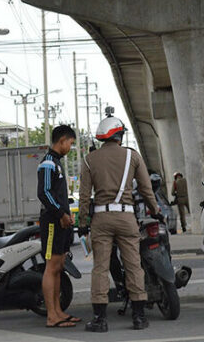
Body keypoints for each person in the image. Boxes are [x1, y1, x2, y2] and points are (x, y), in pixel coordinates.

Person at [78, 115, 162, 333]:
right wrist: (156, 210)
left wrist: (83, 223)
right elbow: (146, 188)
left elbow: (84, 196)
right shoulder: (132, 157)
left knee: (100, 268)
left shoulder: (90, 159)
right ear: (119, 135)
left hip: (101, 219)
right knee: (134, 265)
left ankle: (100, 319)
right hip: (126, 218)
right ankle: (139, 317)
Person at [37, 124, 79, 328]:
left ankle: (59, 312)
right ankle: (51, 315)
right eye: (70, 143)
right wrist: (61, 213)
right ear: (62, 140)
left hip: (62, 221)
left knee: (59, 266)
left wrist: (67, 213)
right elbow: (43, 193)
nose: (70, 147)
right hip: (52, 222)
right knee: (51, 267)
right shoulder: (48, 163)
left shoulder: (57, 163)